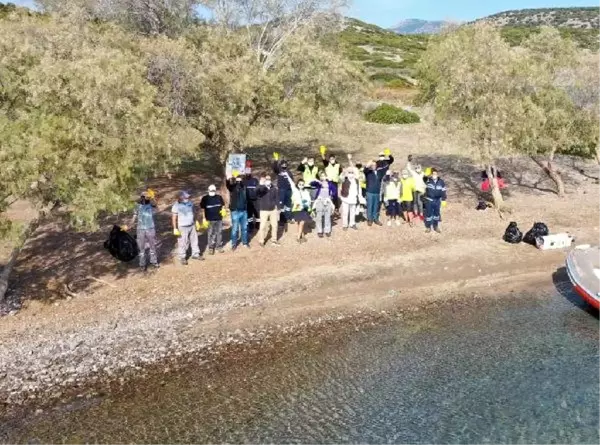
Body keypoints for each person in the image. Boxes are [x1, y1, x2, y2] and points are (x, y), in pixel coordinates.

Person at [130, 190, 159, 271]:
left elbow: (157, 208)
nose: (146, 198)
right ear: (141, 197)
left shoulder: (151, 204)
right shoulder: (137, 205)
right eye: (145, 197)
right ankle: (142, 264)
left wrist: (152, 197)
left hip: (150, 228)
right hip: (140, 229)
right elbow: (134, 215)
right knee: (141, 248)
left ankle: (154, 262)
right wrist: (130, 224)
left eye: (148, 197)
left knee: (152, 246)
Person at [172, 190, 203, 265]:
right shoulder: (176, 206)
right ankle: (182, 257)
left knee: (194, 240)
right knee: (182, 242)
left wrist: (196, 221)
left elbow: (194, 213)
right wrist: (175, 228)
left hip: (191, 225)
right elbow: (174, 218)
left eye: (187, 197)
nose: (187, 198)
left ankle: (195, 254)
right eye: (185, 197)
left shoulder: (190, 203)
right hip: (182, 226)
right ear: (180, 197)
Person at [363, 150, 394, 226]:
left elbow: (384, 178)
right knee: (370, 206)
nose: (373, 166)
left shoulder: (379, 172)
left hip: (377, 192)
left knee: (376, 206)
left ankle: (376, 218)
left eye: (374, 165)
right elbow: (365, 169)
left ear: (376, 166)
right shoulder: (368, 172)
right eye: (372, 165)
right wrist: (369, 163)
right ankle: (370, 219)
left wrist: (387, 174)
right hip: (370, 192)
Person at [226, 172, 250, 250]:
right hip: (235, 211)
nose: (239, 181)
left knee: (244, 228)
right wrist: (229, 178)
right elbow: (228, 185)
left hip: (244, 211)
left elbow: (246, 181)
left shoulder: (244, 187)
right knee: (235, 229)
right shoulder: (233, 187)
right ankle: (234, 244)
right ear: (236, 180)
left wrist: (244, 173)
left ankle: (245, 242)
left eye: (240, 180)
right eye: (238, 180)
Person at [200, 184, 225, 255]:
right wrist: (204, 218)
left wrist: (223, 210)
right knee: (210, 233)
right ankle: (210, 248)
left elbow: (223, 206)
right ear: (208, 191)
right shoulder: (205, 198)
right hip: (209, 219)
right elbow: (202, 209)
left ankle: (219, 246)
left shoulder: (219, 197)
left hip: (219, 218)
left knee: (219, 233)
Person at [256, 173, 280, 246]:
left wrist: (278, 208)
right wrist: (261, 184)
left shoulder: (274, 189)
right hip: (264, 210)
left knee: (274, 225)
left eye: (269, 179)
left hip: (273, 210)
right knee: (262, 226)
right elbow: (257, 191)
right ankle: (261, 241)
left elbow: (277, 199)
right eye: (266, 179)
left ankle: (274, 239)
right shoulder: (261, 188)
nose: (268, 180)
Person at [310, 171, 336, 238]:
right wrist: (316, 180)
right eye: (321, 176)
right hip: (320, 200)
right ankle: (320, 231)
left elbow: (334, 191)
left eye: (324, 176)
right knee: (319, 216)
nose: (323, 177)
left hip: (327, 201)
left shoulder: (330, 183)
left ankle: (327, 230)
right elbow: (311, 184)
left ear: (326, 176)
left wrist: (331, 195)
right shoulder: (318, 184)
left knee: (327, 216)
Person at [289, 176, 312, 243]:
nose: (301, 185)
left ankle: (300, 236)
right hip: (297, 209)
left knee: (301, 223)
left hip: (304, 209)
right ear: (297, 185)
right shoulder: (295, 191)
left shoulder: (306, 192)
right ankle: (300, 236)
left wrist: (306, 203)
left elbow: (309, 200)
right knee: (299, 222)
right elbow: (293, 200)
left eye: (302, 184)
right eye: (300, 184)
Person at [424, 168, 447, 233]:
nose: (434, 175)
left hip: (437, 201)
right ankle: (428, 227)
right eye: (433, 174)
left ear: (437, 174)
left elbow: (443, 191)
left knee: (437, 214)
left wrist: (444, 199)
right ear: (431, 174)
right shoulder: (428, 180)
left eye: (435, 174)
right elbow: (423, 178)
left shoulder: (441, 181)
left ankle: (436, 226)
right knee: (428, 214)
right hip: (429, 200)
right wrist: (426, 174)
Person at [273, 153, 293, 225]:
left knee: (288, 205)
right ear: (281, 165)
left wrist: (292, 189)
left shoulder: (289, 172)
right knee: (281, 206)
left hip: (288, 190)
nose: (284, 165)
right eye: (283, 164)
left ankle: (288, 218)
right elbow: (275, 168)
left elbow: (292, 181)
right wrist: (276, 160)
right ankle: (282, 220)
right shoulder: (279, 171)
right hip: (281, 190)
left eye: (285, 164)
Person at [244, 167, 260, 233]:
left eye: (249, 173)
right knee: (249, 214)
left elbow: (259, 189)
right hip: (248, 201)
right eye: (246, 173)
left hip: (256, 200)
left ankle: (257, 225)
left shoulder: (255, 180)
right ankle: (250, 226)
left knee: (257, 214)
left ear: (251, 173)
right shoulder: (243, 181)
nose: (248, 174)